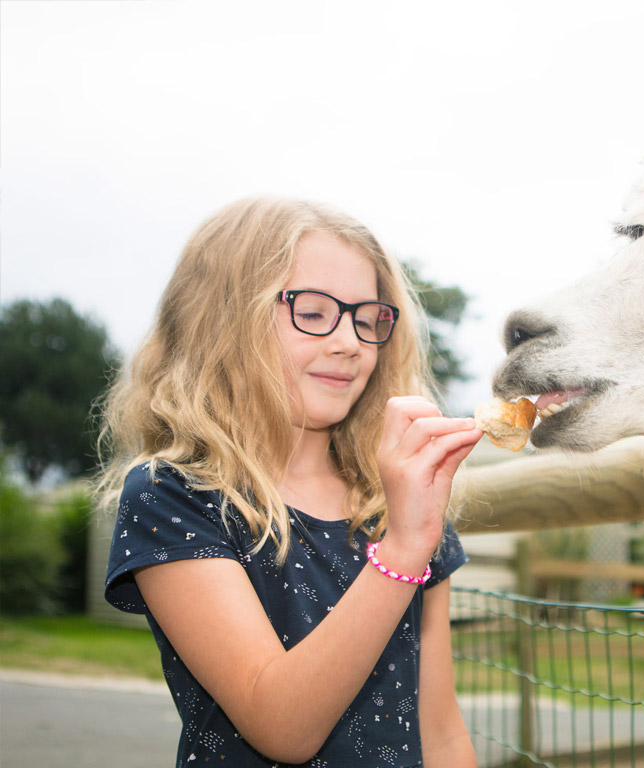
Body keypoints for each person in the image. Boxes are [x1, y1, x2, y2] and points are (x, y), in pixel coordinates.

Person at [97, 197, 483, 767]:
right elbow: (280, 725)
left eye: (367, 316)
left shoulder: (395, 500)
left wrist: (410, 528)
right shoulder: (174, 495)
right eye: (313, 310)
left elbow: (442, 731)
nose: (350, 342)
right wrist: (402, 548)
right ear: (225, 318)